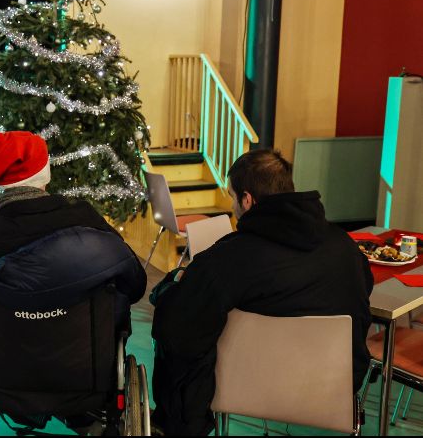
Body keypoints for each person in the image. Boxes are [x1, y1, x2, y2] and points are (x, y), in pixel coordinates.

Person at [150, 149, 374, 435]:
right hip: (334, 389)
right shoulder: (344, 247)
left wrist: (173, 286)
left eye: (232, 197)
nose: (232, 206)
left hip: (249, 389)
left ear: (247, 199)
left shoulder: (232, 256)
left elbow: (178, 327)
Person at [0, 130, 147, 322]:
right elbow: (135, 284)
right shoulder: (85, 217)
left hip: (3, 350)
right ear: (45, 172)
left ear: (0, 182)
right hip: (87, 350)